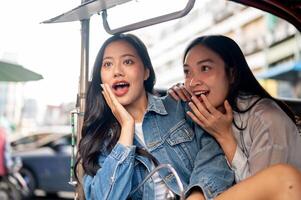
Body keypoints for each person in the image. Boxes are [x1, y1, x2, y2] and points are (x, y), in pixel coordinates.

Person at [75, 33, 235, 200]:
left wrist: (197, 195)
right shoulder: (99, 139)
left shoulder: (180, 106)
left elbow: (215, 157)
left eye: (128, 61)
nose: (117, 71)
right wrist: (127, 128)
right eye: (107, 64)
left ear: (146, 72)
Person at [168, 35, 301, 199]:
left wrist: (225, 137)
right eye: (187, 72)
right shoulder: (204, 113)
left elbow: (264, 194)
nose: (193, 82)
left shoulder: (265, 119)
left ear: (232, 74)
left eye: (205, 68)